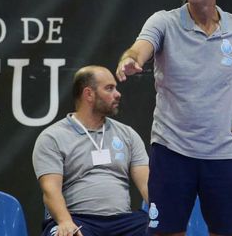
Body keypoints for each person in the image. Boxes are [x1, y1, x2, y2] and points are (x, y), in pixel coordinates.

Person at [116, 0, 232, 236]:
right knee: (166, 232)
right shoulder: (163, 22)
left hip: (223, 154)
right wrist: (131, 59)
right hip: (172, 151)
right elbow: (140, 48)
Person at [32, 65, 149, 236]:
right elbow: (50, 190)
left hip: (123, 221)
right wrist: (65, 222)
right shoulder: (52, 137)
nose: (118, 94)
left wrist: (166, 220)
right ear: (89, 94)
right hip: (77, 219)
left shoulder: (128, 135)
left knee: (162, 231)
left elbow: (147, 184)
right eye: (109, 88)